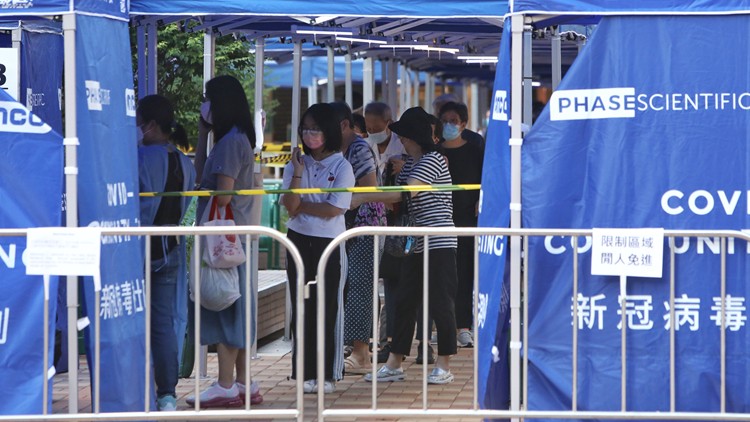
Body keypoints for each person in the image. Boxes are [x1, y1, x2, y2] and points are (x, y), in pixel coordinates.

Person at [353, 106, 459, 385]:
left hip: (439, 241)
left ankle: (444, 364)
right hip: (414, 241)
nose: (399, 139)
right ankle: (395, 362)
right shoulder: (410, 162)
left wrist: (364, 197)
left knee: (441, 302)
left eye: (402, 135)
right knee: (404, 301)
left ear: (412, 137)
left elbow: (405, 192)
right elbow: (397, 201)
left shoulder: (432, 160)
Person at [187, 75, 262, 408]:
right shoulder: (233, 138)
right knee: (236, 307)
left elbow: (223, 194)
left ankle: (226, 384)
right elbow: (201, 173)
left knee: (227, 307)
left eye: (208, 99)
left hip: (225, 241)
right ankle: (243, 382)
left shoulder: (231, 142)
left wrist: (208, 190)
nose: (205, 105)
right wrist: (203, 134)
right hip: (233, 238)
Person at [281, 103, 355, 394]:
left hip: (330, 243)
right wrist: (299, 173)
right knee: (302, 305)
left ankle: (327, 373)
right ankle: (304, 371)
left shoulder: (342, 166)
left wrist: (302, 206)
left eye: (316, 129)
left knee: (328, 307)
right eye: (306, 128)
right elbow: (290, 204)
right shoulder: (296, 163)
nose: (309, 134)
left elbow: (334, 209)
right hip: (298, 240)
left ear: (329, 132)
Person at [137, 94, 196, 411]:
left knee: (132, 319)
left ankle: (136, 386)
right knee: (163, 323)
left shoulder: (141, 158)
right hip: (171, 249)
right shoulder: (184, 162)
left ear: (150, 124)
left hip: (138, 248)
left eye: (138, 123)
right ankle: (167, 393)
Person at [330, 102, 386, 375]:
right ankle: (354, 347)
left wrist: (345, 200)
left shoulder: (359, 148)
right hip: (347, 225)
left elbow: (369, 189)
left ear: (344, 125)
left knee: (359, 288)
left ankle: (361, 353)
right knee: (351, 286)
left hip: (365, 224)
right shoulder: (339, 148)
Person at [439, 101, 484, 348]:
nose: (448, 125)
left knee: (465, 273)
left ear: (464, 124)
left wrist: (480, 201)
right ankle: (443, 324)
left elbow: (486, 180)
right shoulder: (435, 152)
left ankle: (464, 325)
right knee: (444, 274)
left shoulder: (475, 149)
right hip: (440, 220)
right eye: (444, 120)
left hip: (467, 220)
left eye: (453, 121)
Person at [363, 102, 406, 185]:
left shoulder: (403, 145)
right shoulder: (364, 146)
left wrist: (405, 167)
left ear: (389, 123)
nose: (372, 132)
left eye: (377, 128)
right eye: (368, 129)